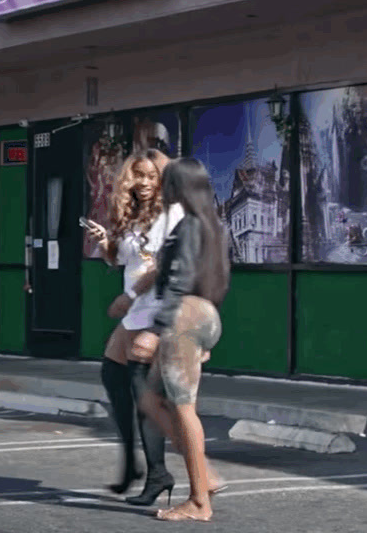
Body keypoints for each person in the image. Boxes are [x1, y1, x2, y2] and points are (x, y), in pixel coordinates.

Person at [135, 157, 231, 523]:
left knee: (182, 406)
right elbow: (219, 277)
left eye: (167, 181)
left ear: (178, 186)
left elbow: (180, 277)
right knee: (151, 399)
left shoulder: (189, 225)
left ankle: (199, 501)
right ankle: (204, 476)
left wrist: (156, 329)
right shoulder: (213, 225)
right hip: (204, 313)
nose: (162, 187)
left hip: (184, 316)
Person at [84, 149, 182, 505]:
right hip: (134, 311)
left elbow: (167, 263)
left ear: (162, 179)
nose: (142, 183)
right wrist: (105, 243)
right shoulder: (136, 214)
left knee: (146, 398)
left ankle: (158, 474)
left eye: (150, 176)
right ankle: (130, 463)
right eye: (137, 175)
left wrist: (128, 295)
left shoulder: (174, 213)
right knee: (113, 376)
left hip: (157, 309)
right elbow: (124, 260)